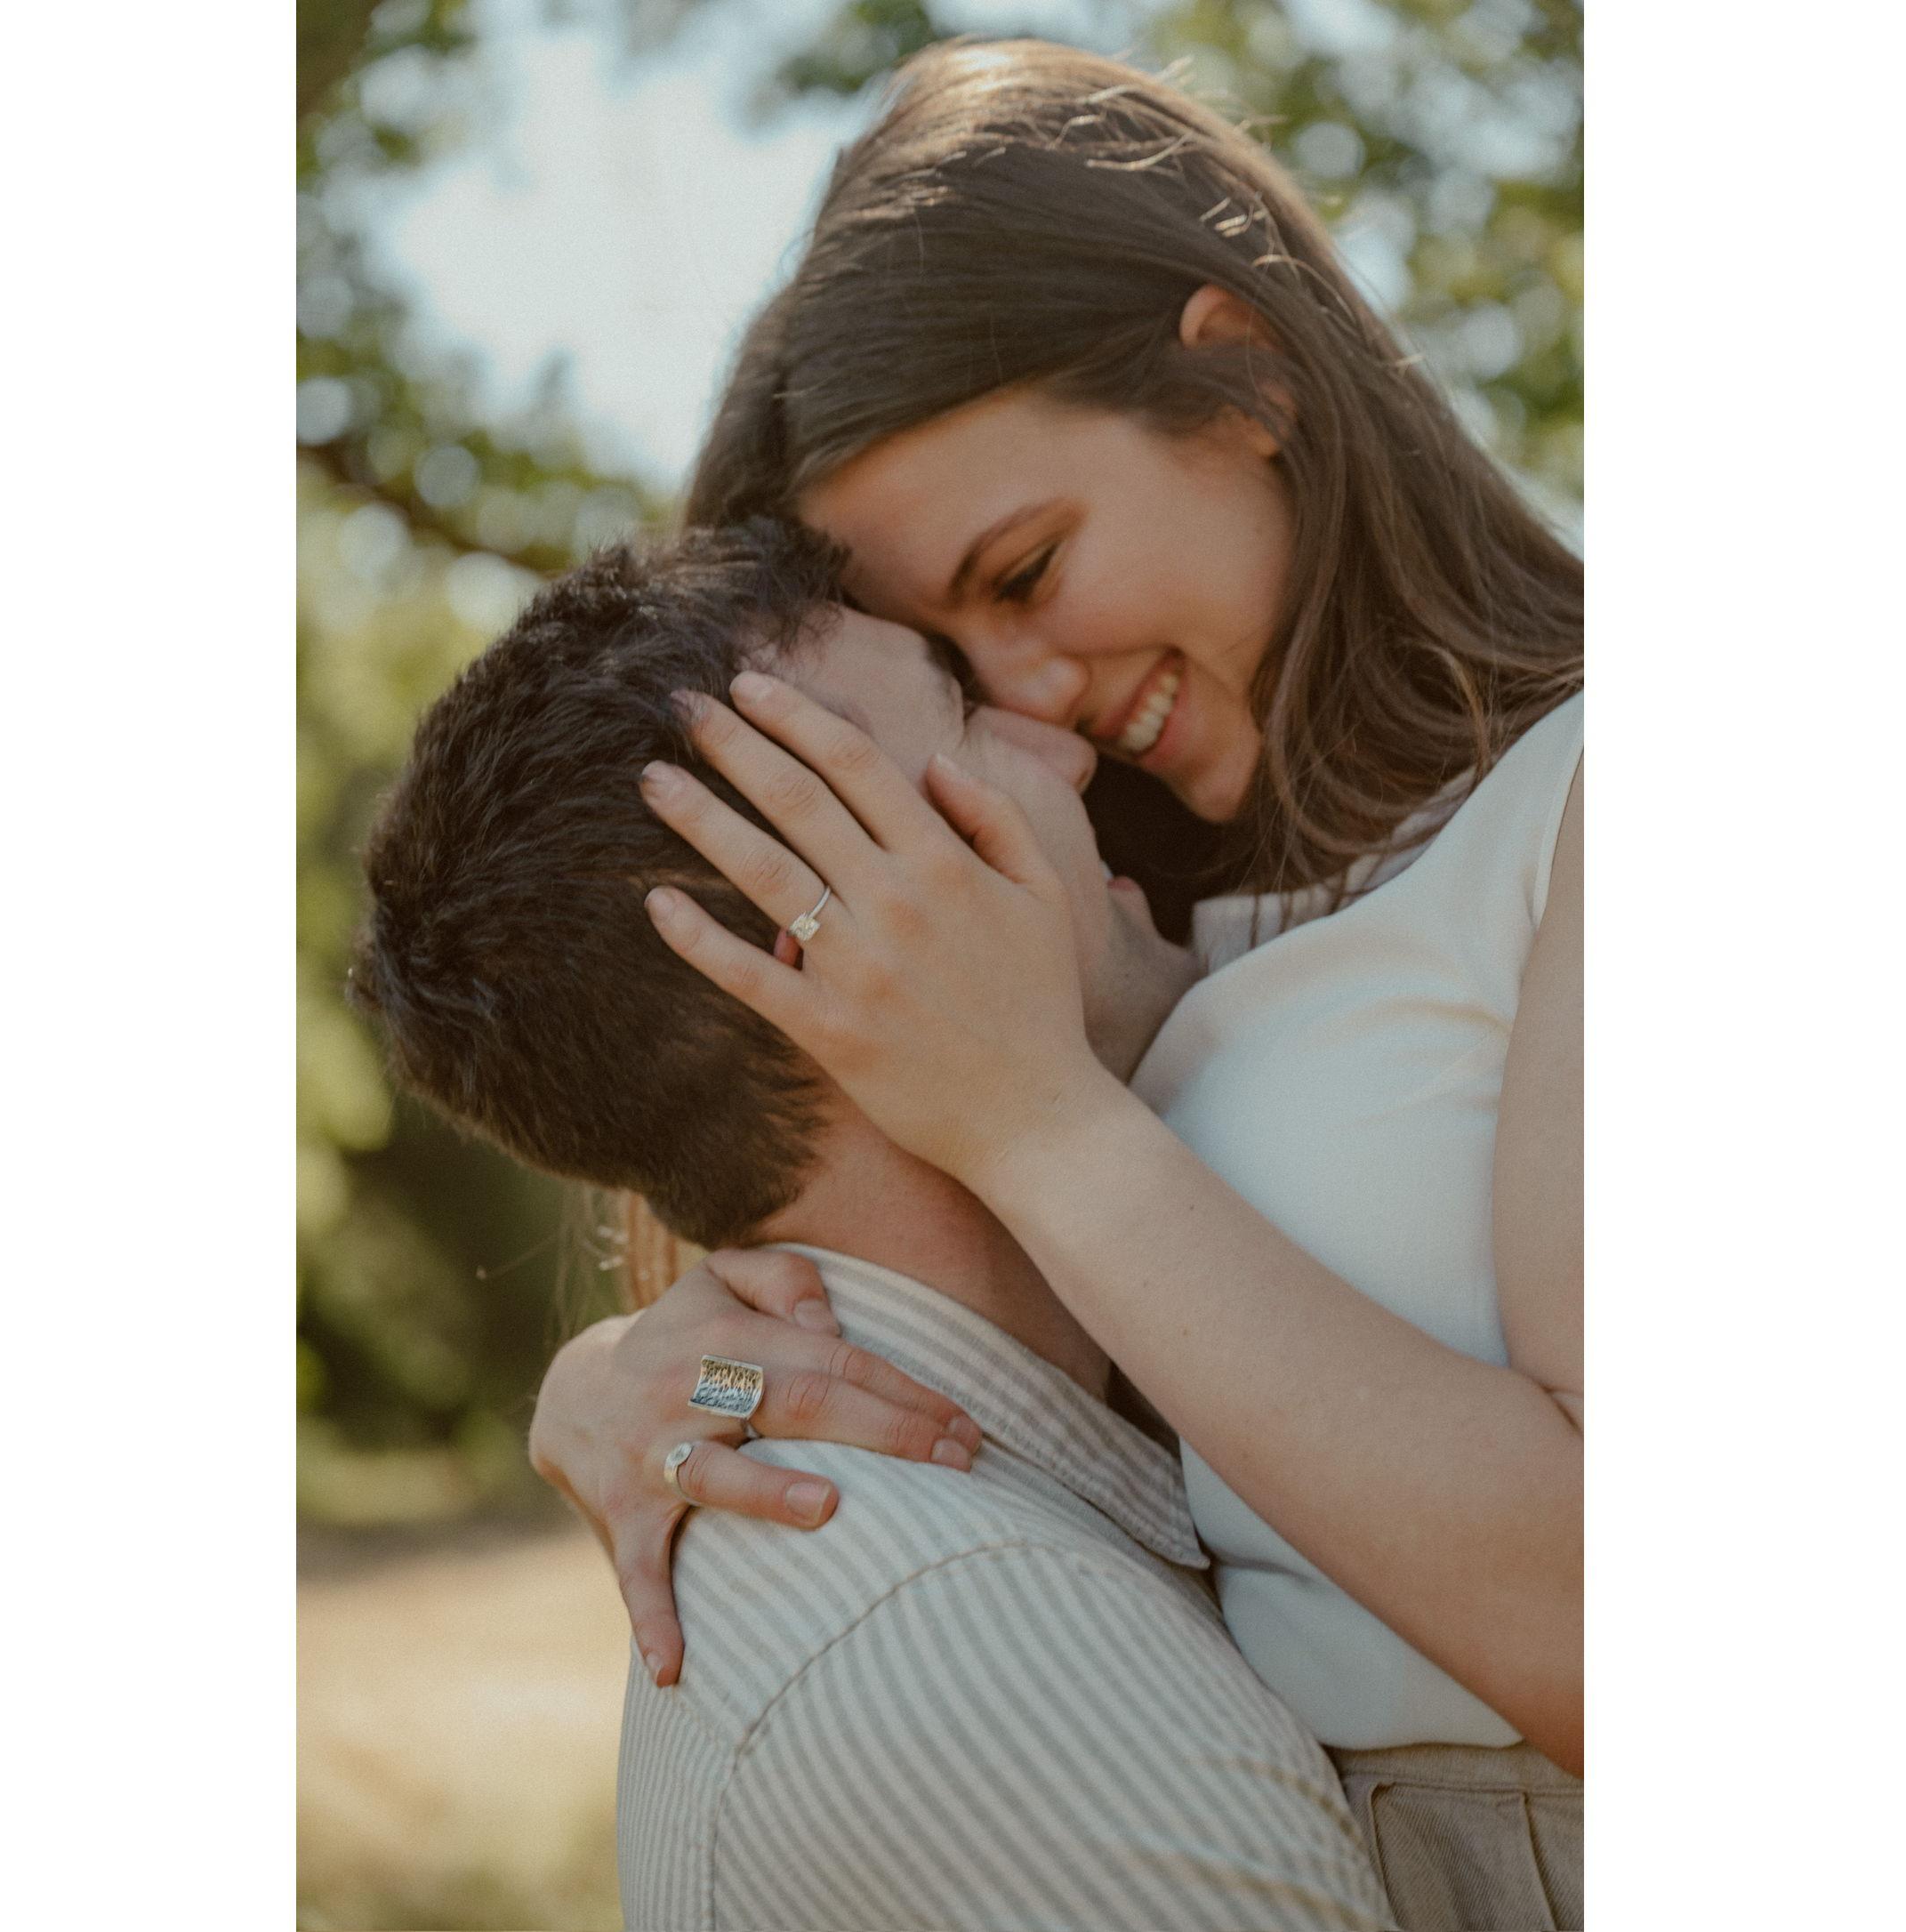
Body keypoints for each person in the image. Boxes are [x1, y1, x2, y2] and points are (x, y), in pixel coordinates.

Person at [529, 38, 1583, 1932]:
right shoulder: (1145, 928)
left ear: (1242, 374)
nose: (1022, 700)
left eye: (1028, 569)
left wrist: (1037, 1123)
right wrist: (624, 1368)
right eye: (946, 652)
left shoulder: (1598, 806)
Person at [351, 519, 1395, 1932]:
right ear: (832, 948)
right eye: (965, 716)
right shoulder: (998, 1654)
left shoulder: (794, 1422)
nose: (1068, 754)